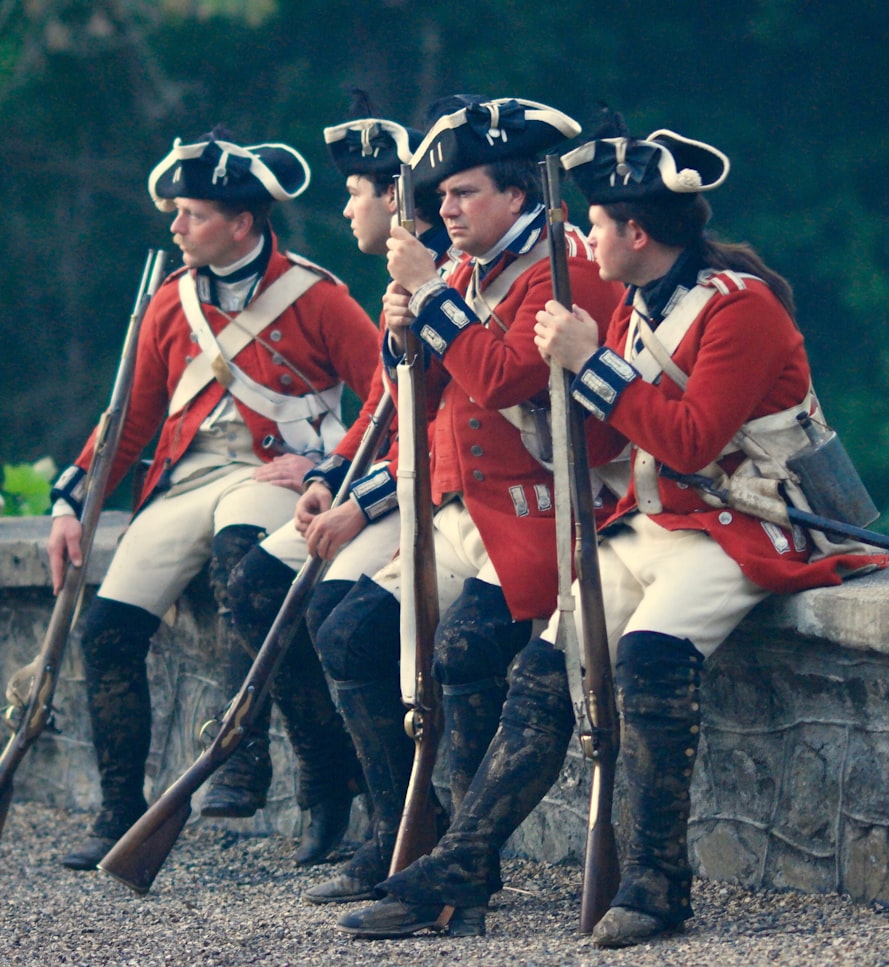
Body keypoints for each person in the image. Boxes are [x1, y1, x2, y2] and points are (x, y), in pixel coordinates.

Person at [334, 129, 889, 945]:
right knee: (538, 672)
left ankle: (658, 881)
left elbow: (693, 439)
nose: (584, 240)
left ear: (636, 234)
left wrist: (591, 364)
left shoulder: (741, 309)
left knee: (650, 658)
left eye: (596, 224)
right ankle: (462, 864)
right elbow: (588, 433)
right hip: (662, 519)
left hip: (750, 523)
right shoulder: (637, 299)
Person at [302, 96, 624, 910]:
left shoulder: (564, 265)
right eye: (440, 195)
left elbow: (509, 375)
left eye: (464, 192)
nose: (443, 209)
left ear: (517, 195)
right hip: (467, 507)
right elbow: (421, 392)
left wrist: (432, 298)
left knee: (464, 652)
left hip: (543, 511)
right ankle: (399, 829)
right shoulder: (463, 272)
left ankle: (463, 867)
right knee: (345, 635)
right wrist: (402, 327)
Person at [47, 127, 380, 871]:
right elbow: (129, 417)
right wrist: (72, 501)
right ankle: (119, 809)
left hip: (273, 477)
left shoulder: (319, 296)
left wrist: (325, 462)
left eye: (190, 213)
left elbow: (387, 386)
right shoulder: (170, 302)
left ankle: (243, 755)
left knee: (242, 557)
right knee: (105, 627)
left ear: (242, 221)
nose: (175, 226)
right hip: (188, 477)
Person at [221, 112, 454, 864]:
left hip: (440, 498)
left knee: (337, 618)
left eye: (356, 191)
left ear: (396, 197)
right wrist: (327, 477)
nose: (347, 209)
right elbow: (384, 411)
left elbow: (445, 439)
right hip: (394, 483)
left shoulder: (448, 282)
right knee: (256, 582)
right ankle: (330, 779)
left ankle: (405, 822)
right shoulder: (403, 282)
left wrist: (361, 503)